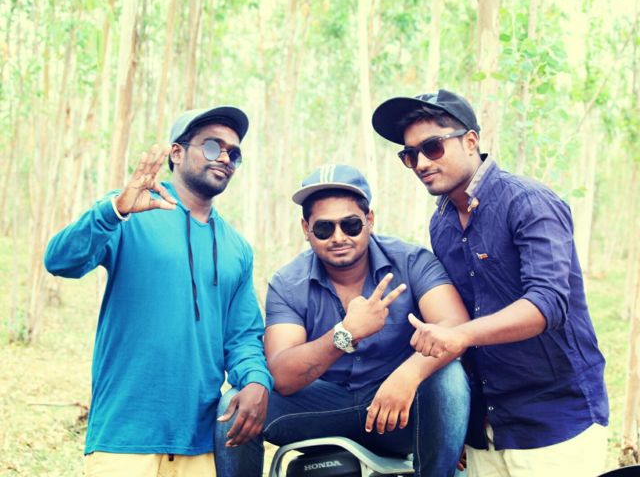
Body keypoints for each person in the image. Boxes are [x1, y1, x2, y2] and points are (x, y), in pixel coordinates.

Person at [371, 89, 610, 476]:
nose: (421, 163)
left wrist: (459, 335)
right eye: (409, 155)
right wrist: (463, 423)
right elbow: (468, 313)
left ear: (470, 141)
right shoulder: (442, 224)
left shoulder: (528, 202)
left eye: (432, 147)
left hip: (556, 422)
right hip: (488, 430)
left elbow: (547, 303)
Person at [44, 106, 273, 476]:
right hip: (124, 437)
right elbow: (60, 261)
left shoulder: (237, 248)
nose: (225, 158)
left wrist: (257, 380)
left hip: (199, 443)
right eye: (212, 146)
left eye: (234, 153)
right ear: (176, 153)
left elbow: (243, 335)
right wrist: (114, 211)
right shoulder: (128, 212)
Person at [215, 164, 471, 477]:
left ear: (370, 220)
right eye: (324, 229)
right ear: (306, 229)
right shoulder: (287, 283)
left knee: (448, 376)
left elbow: (456, 326)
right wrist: (345, 333)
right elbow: (281, 374)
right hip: (321, 407)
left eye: (350, 225)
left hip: (398, 410)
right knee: (233, 403)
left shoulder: (412, 261)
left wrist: (408, 374)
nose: (338, 238)